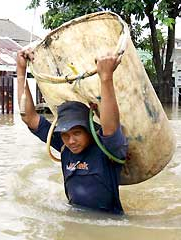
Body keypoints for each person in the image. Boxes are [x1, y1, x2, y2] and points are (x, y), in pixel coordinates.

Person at [16, 49, 128, 214]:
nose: (71, 141)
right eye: (65, 134)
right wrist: (20, 71)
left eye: (77, 133)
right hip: (74, 218)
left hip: (109, 222)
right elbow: (29, 118)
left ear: (89, 130)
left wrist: (106, 78)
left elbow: (110, 127)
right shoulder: (64, 146)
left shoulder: (107, 149)